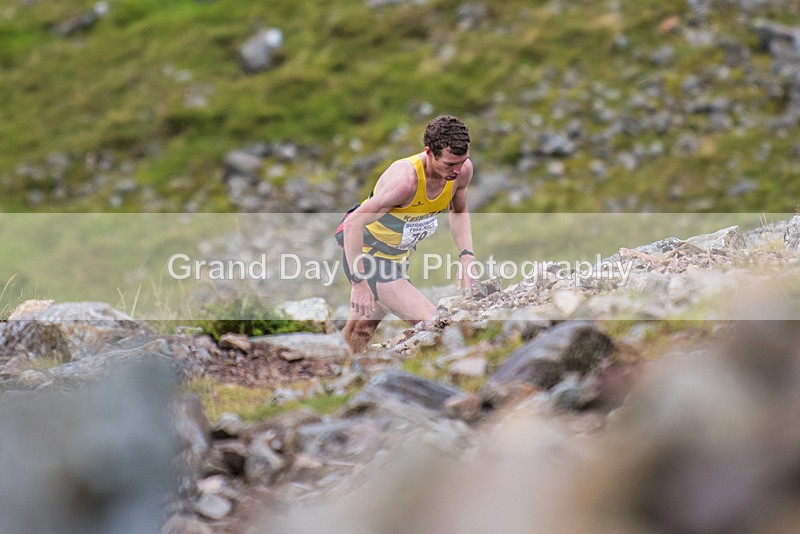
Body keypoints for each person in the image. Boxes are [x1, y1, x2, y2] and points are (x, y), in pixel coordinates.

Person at [335, 115, 478, 352]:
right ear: (429, 152)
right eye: (450, 164)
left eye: (462, 161)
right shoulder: (405, 181)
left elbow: (459, 211)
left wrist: (466, 256)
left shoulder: (462, 172)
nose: (458, 170)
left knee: (359, 333)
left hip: (397, 258)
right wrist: (358, 283)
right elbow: (353, 223)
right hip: (368, 257)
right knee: (434, 325)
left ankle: (333, 373)